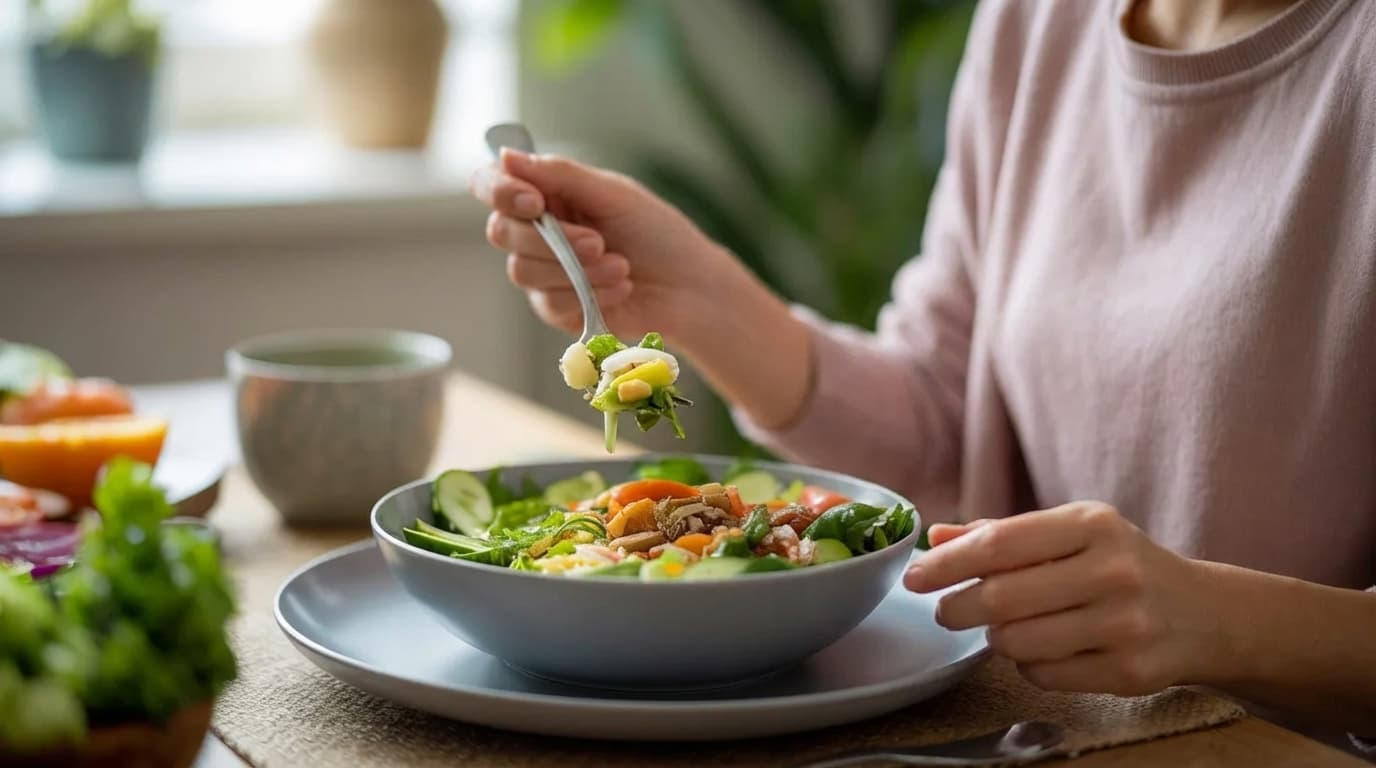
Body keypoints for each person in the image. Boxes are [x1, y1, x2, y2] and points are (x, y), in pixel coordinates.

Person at [470, 0, 1376, 752]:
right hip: (1050, 735)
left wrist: (1225, 624)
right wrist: (697, 294)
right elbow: (952, 418)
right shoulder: (1039, 18)